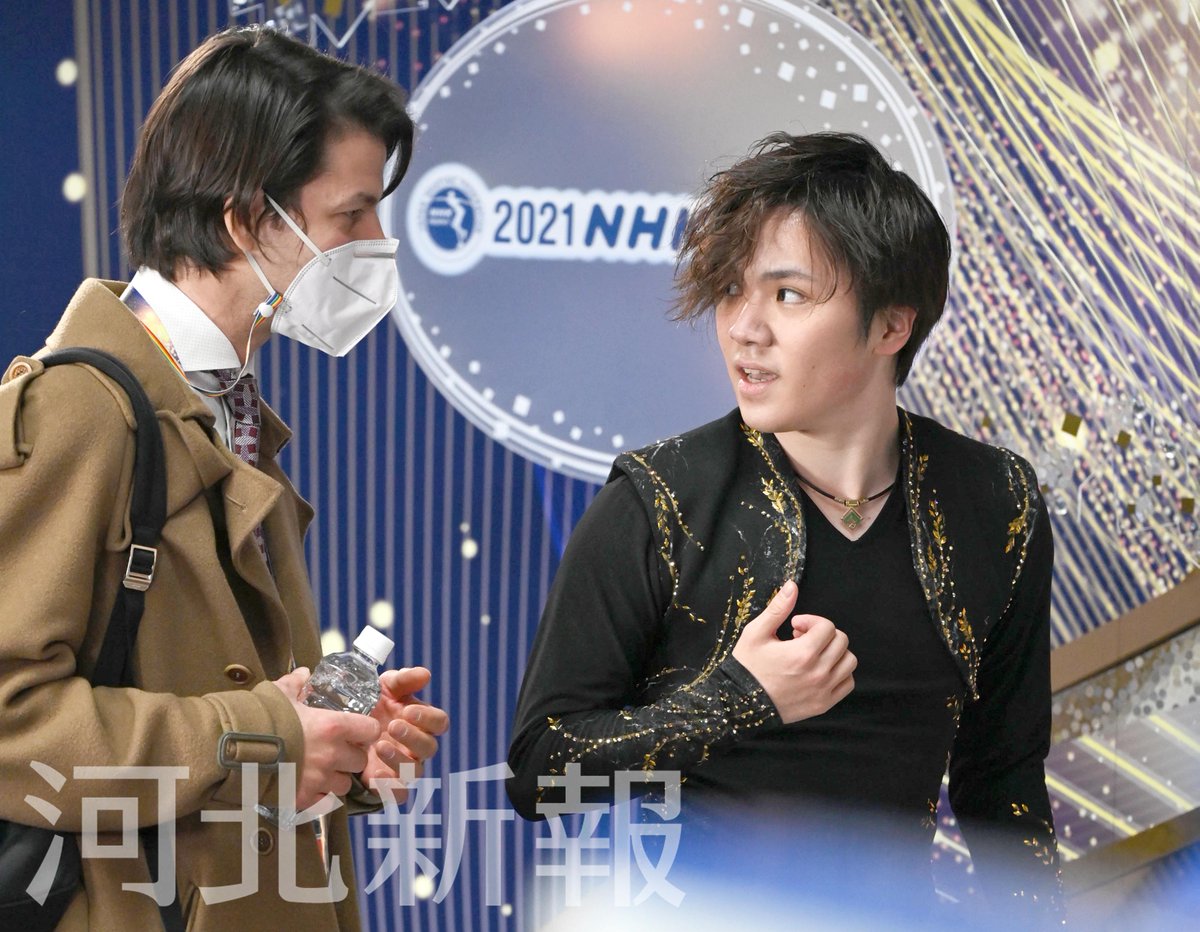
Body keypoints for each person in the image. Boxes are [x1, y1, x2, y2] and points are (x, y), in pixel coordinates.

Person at [507, 132, 1060, 921]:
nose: (744, 328)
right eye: (733, 290)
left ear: (890, 326)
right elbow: (540, 768)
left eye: (788, 296)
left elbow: (1003, 783)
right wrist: (740, 699)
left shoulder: (997, 503)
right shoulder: (660, 498)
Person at [0, 26, 447, 930]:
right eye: (352, 215)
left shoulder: (225, 404)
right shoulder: (81, 410)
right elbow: (12, 721)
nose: (376, 243)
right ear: (248, 220)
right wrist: (272, 736)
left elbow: (222, 690)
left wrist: (338, 736)